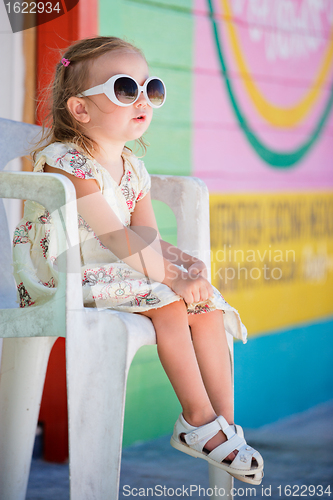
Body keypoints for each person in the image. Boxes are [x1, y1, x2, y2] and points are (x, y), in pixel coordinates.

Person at [12, 36, 263, 484]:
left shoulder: (133, 168)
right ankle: (196, 417)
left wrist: (181, 264)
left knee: (207, 307)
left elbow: (143, 236)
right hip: (65, 274)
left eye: (152, 89)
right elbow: (112, 234)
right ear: (81, 109)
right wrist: (170, 278)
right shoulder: (66, 161)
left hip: (113, 267)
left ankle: (220, 427)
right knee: (169, 304)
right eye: (126, 89)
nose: (142, 99)